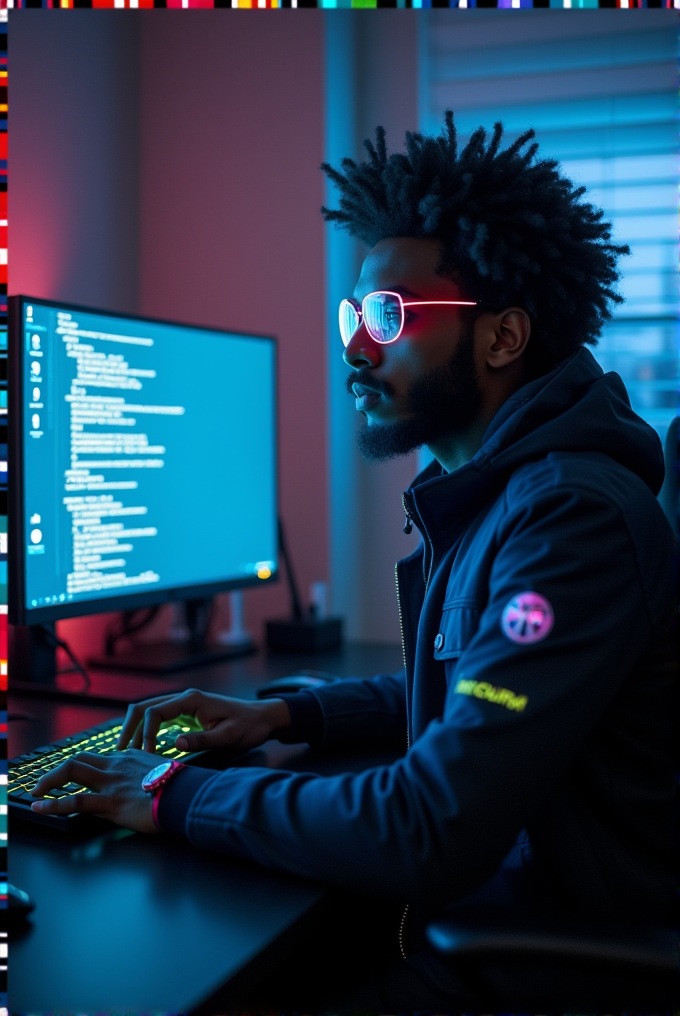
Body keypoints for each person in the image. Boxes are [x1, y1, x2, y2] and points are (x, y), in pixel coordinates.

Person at [31, 112, 677, 1010]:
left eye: (388, 315)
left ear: (501, 338)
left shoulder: (570, 519)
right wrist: (286, 713)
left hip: (551, 966)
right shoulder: (508, 494)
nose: (356, 347)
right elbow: (479, 687)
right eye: (353, 315)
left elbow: (431, 822)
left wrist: (172, 791)